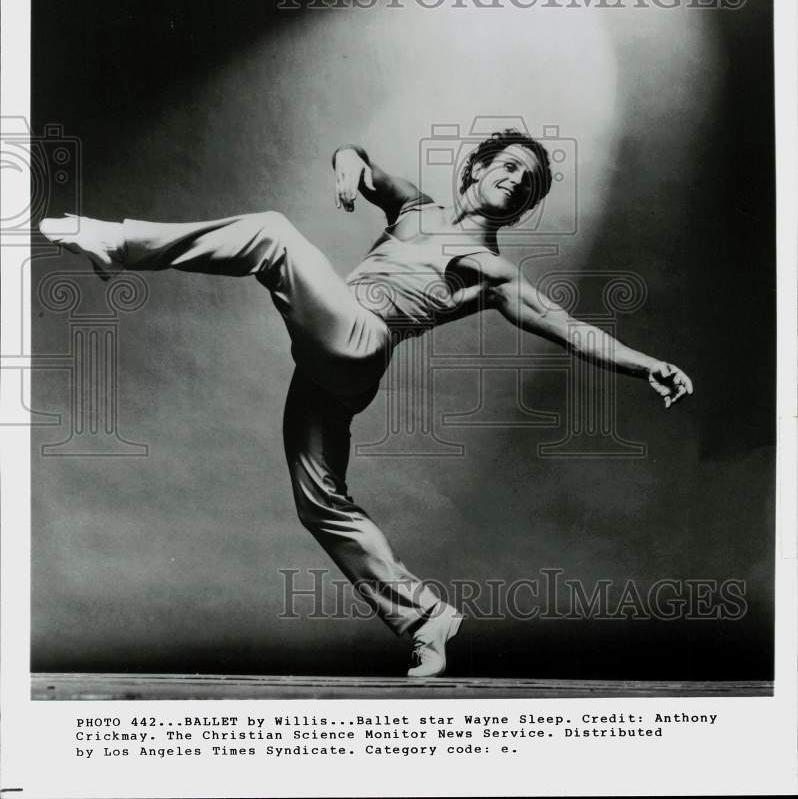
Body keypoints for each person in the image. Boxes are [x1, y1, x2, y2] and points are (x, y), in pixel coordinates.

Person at [39, 128, 693, 678]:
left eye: (530, 183)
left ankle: (115, 242)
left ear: (522, 209)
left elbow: (572, 328)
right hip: (327, 365)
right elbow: (357, 158)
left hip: (360, 343)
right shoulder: (413, 208)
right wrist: (348, 163)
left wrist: (648, 365)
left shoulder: (490, 271)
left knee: (271, 234)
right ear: (477, 168)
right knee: (320, 502)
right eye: (513, 167)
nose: (520, 182)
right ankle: (426, 619)